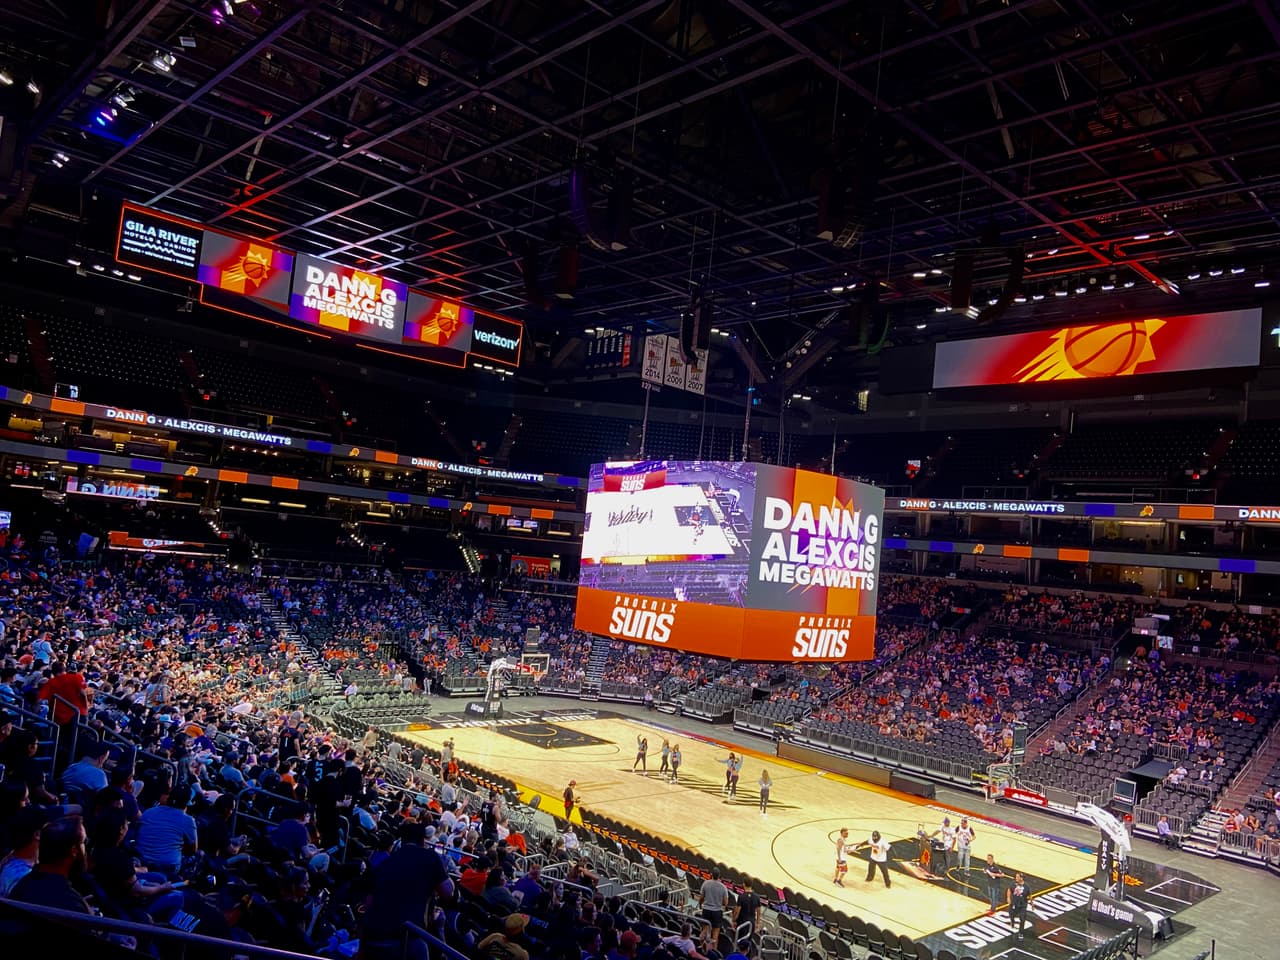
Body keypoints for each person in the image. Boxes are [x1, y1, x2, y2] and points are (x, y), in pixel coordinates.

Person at [362, 821, 454, 960]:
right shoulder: (430, 857)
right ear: (423, 841)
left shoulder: (385, 862)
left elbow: (368, 905)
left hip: (374, 936)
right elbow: (448, 893)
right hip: (406, 938)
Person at [9, 815, 91, 914]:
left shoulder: (21, 886)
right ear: (74, 850)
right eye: (84, 842)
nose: (86, 848)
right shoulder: (72, 906)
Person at [698, 866, 730, 947]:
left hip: (706, 910)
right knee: (715, 935)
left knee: (704, 931)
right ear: (719, 876)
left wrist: (700, 905)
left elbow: (701, 898)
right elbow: (726, 903)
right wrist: (718, 902)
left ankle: (702, 947)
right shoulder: (723, 887)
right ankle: (714, 952)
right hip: (717, 912)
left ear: (711, 875)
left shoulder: (705, 883)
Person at [735, 883, 762, 953]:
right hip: (751, 923)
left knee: (739, 943)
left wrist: (734, 920)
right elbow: (759, 912)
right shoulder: (757, 897)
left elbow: (737, 911)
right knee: (748, 942)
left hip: (742, 923)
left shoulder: (741, 896)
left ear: (744, 884)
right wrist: (758, 923)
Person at [1008, 872, 1029, 939]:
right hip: (1014, 903)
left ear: (1021, 878)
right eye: (1016, 876)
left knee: (1022, 919)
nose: (1016, 878)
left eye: (1017, 877)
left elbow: (1029, 895)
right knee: (1011, 914)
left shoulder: (1026, 887)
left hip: (1022, 905)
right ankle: (1012, 921)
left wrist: (1032, 904)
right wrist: (1008, 897)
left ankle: (1021, 933)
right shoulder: (1013, 884)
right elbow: (1009, 890)